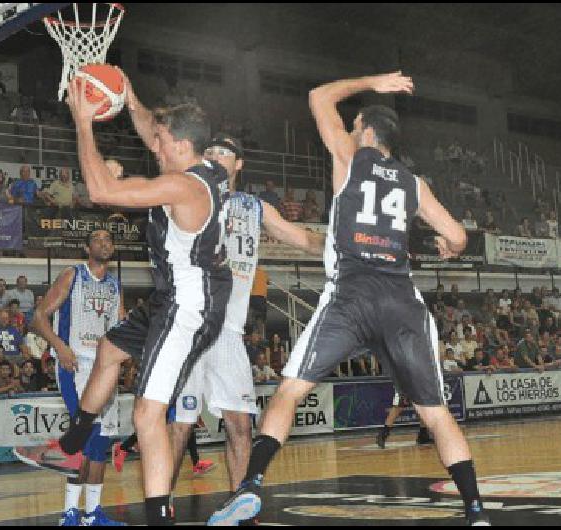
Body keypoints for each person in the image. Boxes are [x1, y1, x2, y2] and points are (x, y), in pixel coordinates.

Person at [209, 71, 489, 526]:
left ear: (362, 128)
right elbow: (458, 236)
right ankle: (476, 512)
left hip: (352, 295)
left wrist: (374, 81)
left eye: (355, 125)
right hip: (401, 301)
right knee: (435, 413)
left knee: (290, 392)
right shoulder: (415, 184)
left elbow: (319, 96)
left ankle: (252, 486)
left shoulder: (348, 157)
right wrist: (448, 247)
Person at [58, 70, 233, 526]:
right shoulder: (204, 167)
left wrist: (83, 123)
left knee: (146, 414)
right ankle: (70, 446)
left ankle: (160, 518)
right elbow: (148, 125)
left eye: (158, 141)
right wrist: (127, 94)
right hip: (172, 296)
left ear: (177, 145)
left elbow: (101, 191)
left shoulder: (185, 186)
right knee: (109, 350)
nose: (151, 145)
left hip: (189, 307)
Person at [165, 132, 325, 505]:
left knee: (240, 424)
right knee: (180, 426)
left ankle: (240, 505)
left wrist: (347, 245)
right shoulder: (190, 194)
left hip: (229, 333)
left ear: (239, 165)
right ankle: (161, 503)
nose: (217, 156)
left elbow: (302, 238)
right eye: (211, 151)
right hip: (191, 326)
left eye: (226, 152)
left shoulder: (255, 207)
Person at [31, 230, 125, 526]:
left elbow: (121, 327)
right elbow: (38, 317)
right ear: (87, 247)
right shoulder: (73, 275)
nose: (104, 243)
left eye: (108, 240)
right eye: (98, 240)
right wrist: (59, 347)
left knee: (100, 443)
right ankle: (69, 512)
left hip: (105, 367)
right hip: (76, 364)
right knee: (81, 436)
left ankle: (93, 513)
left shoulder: (114, 284)